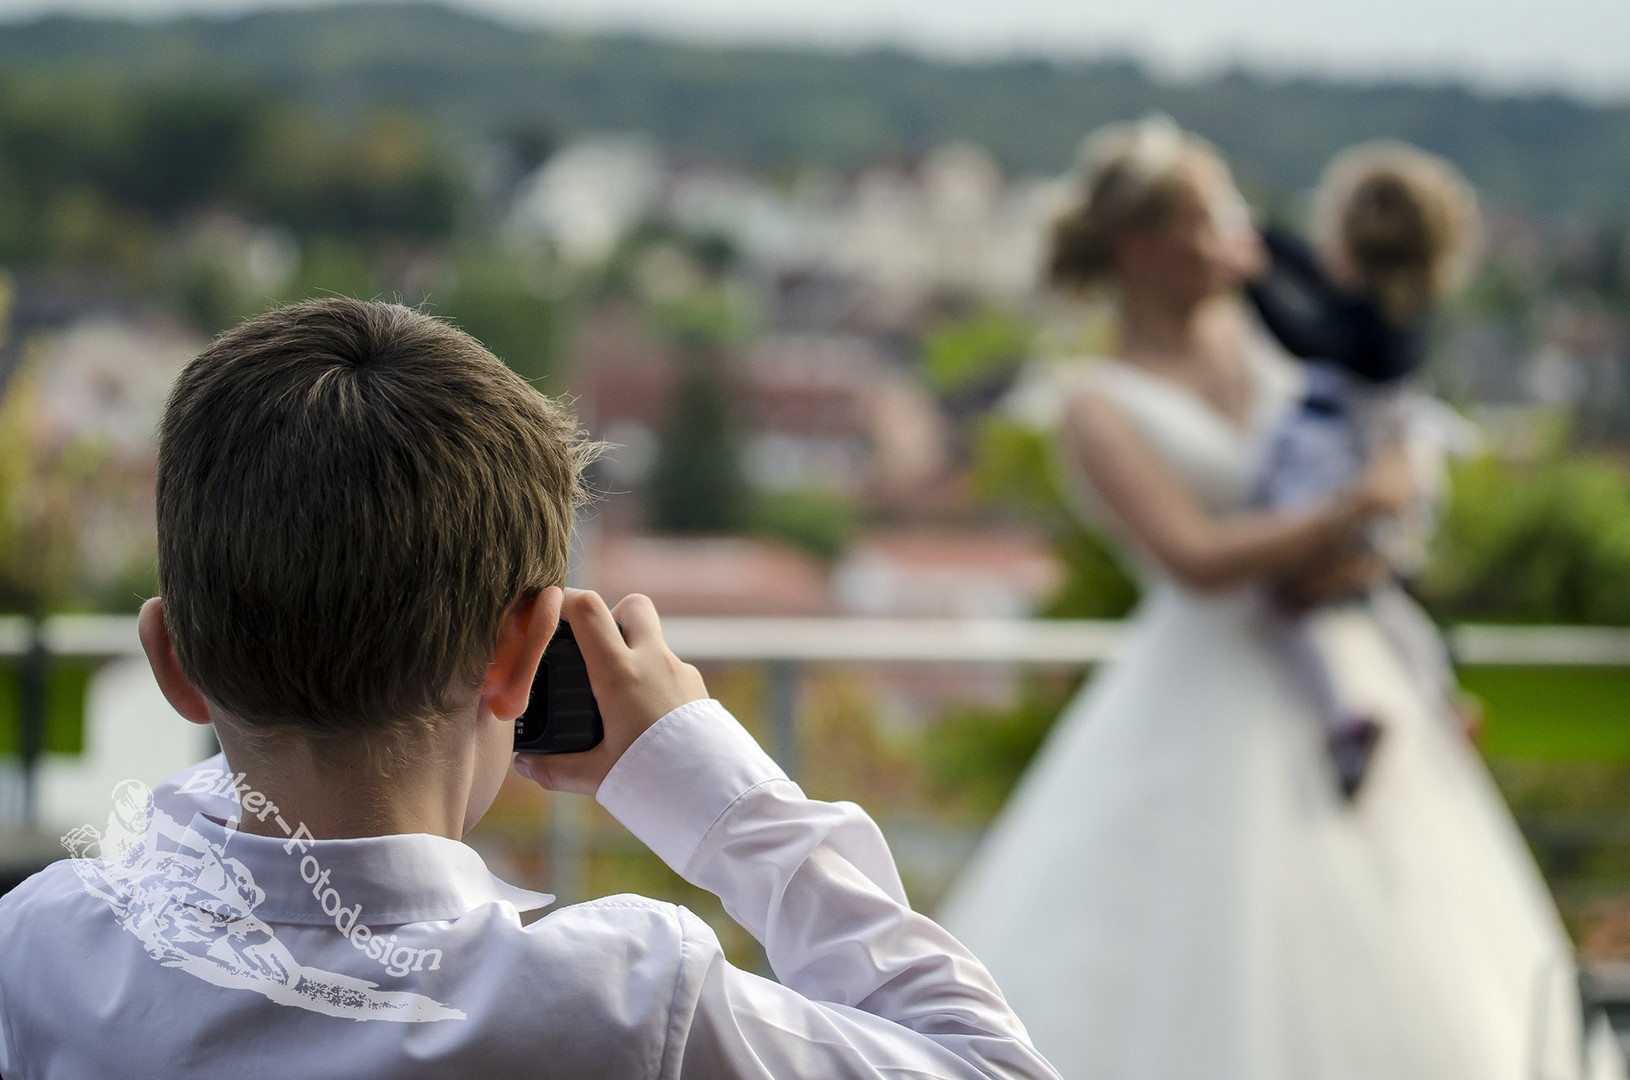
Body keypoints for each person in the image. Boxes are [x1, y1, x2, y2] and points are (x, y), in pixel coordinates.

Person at [0, 298, 1061, 1080]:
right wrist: (703, 776)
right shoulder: (626, 1009)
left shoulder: (45, 952)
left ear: (174, 661)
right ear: (519, 656)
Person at [941, 118, 1604, 1080]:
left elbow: (1379, 420)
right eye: (1206, 219)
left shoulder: (1266, 330)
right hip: (1203, 680)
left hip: (1344, 656)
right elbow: (1197, 557)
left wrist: (1374, 533)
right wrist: (1347, 513)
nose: (1234, 238)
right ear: (1139, 245)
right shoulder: (1091, 400)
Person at [1245, 141, 1483, 797]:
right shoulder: (1403, 310)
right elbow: (1317, 281)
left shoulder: (1365, 322)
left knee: (1294, 601)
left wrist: (1251, 280)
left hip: (1335, 465)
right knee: (1386, 601)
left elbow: (1302, 336)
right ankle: (1441, 698)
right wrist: (1263, 241)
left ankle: (1345, 715)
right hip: (1379, 459)